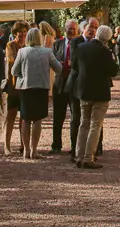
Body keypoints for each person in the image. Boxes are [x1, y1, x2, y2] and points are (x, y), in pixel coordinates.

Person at [11, 27, 62, 161]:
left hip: (25, 88)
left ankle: (26, 149)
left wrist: (23, 74)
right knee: (37, 119)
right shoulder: (47, 52)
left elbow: (14, 71)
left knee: (25, 118)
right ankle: (34, 149)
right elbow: (58, 68)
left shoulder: (22, 52)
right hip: (41, 88)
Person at [72, 24, 117, 168]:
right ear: (107, 39)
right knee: (95, 125)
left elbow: (74, 66)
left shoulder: (81, 47)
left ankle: (79, 156)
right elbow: (113, 71)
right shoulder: (105, 52)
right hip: (100, 92)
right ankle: (88, 157)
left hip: (84, 90)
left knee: (83, 123)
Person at [51, 21, 81, 154]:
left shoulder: (80, 44)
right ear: (65, 29)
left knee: (76, 117)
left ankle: (75, 147)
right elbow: (51, 61)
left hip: (75, 85)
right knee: (58, 116)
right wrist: (58, 64)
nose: (72, 31)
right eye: (69, 28)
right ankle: (56, 145)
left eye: (74, 29)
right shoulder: (57, 44)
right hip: (60, 84)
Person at [1, 21, 27, 156]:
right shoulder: (10, 45)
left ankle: (23, 144)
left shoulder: (28, 46)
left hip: (26, 86)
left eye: (24, 32)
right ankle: (7, 145)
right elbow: (13, 60)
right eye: (20, 32)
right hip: (13, 85)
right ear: (15, 33)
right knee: (10, 115)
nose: (22, 35)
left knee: (24, 116)